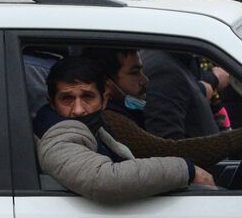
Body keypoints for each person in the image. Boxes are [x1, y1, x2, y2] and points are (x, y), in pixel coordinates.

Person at [34, 56, 214, 202]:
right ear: (52, 103)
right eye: (67, 99)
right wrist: (187, 170)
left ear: (104, 99)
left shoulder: (98, 128)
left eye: (88, 97)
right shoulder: (57, 136)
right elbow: (104, 180)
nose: (78, 109)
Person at [89, 47, 242, 166]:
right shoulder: (111, 119)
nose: (144, 80)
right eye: (134, 73)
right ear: (108, 84)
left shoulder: (126, 111)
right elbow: (167, 153)